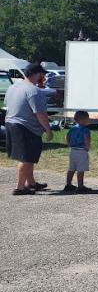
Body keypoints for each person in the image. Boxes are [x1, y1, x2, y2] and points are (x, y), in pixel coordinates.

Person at [5, 63, 54, 195]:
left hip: (11, 123)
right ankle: (20, 188)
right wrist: (48, 130)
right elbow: (40, 114)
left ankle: (31, 183)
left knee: (29, 156)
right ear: (36, 75)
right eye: (42, 75)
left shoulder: (13, 87)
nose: (43, 78)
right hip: (25, 127)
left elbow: (7, 105)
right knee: (26, 158)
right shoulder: (34, 91)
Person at [63, 111, 92, 193]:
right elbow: (87, 138)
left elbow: (66, 137)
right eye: (87, 119)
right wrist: (87, 146)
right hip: (81, 151)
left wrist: (69, 144)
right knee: (80, 169)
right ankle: (80, 186)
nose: (88, 121)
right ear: (82, 120)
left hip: (73, 151)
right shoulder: (85, 130)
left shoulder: (72, 128)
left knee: (71, 168)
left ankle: (68, 185)